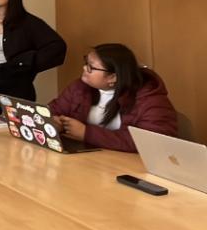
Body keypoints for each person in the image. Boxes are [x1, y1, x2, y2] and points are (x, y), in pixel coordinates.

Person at [49, 43, 177, 152]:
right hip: (89, 160)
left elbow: (153, 142)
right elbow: (54, 110)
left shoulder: (150, 99)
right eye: (85, 62)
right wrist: (55, 123)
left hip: (130, 166)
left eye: (90, 67)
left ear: (113, 77)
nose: (84, 68)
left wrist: (87, 134)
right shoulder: (79, 87)